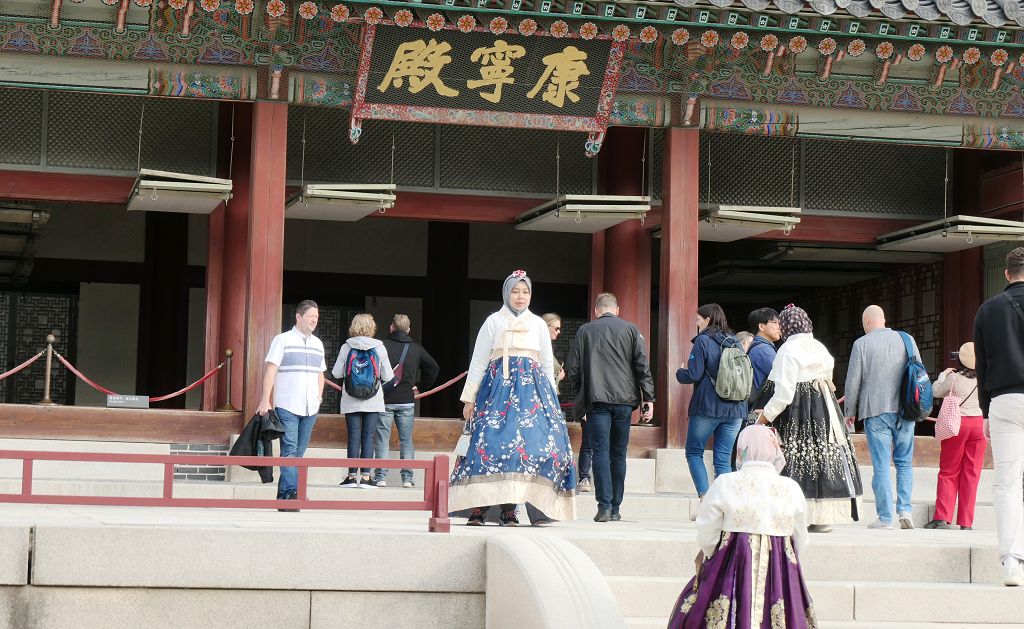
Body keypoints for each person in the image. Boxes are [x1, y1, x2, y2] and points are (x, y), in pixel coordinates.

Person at [450, 270, 577, 526]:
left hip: (532, 393)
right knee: (488, 445)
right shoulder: (493, 321)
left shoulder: (539, 324)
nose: (521, 296)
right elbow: (478, 362)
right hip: (496, 390)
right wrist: (469, 399)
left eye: (525, 291)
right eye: (516, 291)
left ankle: (511, 509)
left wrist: (551, 400)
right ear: (507, 293)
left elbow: (544, 364)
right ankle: (479, 508)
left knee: (527, 448)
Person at [667, 425, 816, 629]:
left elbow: (707, 529)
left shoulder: (726, 482)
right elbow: (800, 536)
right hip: (779, 564)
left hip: (734, 558)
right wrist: (787, 557)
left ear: (742, 448)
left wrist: (713, 554)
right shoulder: (790, 487)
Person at [755, 304, 863, 533]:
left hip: (798, 408)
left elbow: (783, 392)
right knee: (823, 455)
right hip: (824, 406)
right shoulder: (820, 347)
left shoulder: (787, 350)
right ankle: (823, 516)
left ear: (785, 326)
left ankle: (793, 514)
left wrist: (764, 417)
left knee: (796, 454)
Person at [567, 292, 655, 522]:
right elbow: (642, 366)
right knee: (619, 454)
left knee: (600, 452)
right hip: (625, 402)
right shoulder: (631, 330)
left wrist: (582, 394)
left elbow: (573, 368)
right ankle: (616, 508)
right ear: (617, 310)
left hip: (597, 401)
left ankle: (604, 507)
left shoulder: (585, 330)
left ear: (596, 311)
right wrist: (649, 399)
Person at [844, 304, 922, 531]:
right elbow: (919, 372)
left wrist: (850, 411)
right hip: (906, 410)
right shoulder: (907, 339)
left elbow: (853, 381)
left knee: (881, 465)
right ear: (884, 319)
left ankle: (886, 517)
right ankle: (905, 510)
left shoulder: (861, 344)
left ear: (867, 321)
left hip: (875, 410)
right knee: (904, 462)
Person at [974, 246, 1024, 587]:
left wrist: (986, 408)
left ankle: (1010, 561)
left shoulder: (988, 310)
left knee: (1006, 482)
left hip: (1005, 400)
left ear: (1006, 273)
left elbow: (981, 365)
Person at [256, 300, 326, 509]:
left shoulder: (318, 344)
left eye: (316, 317)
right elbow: (271, 370)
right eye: (311, 316)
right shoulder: (282, 340)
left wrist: (319, 397)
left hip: (310, 406)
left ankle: (285, 494)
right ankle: (290, 496)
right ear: (298, 316)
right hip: (287, 404)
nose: (314, 320)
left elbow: (320, 374)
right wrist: (265, 399)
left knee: (299, 453)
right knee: (289, 450)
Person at [675, 303, 746, 500]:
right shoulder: (735, 341)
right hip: (735, 408)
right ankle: (725, 503)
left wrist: (680, 372)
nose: (697, 324)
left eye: (698, 319)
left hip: (708, 406)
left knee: (694, 451)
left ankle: (705, 499)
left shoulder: (703, 341)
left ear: (707, 320)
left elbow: (694, 374)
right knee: (723, 458)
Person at [372, 314, 439, 488]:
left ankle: (380, 477)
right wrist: (420, 386)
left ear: (391, 327)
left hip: (384, 399)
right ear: (408, 330)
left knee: (381, 439)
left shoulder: (382, 346)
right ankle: (407, 478)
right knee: (406, 440)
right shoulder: (416, 348)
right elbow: (433, 368)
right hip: (406, 401)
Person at [925, 342, 984, 531]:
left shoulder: (955, 378)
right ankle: (966, 522)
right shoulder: (987, 377)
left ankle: (942, 518)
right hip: (979, 426)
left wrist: (942, 376)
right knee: (971, 474)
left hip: (958, 424)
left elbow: (935, 391)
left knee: (949, 470)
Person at [331, 313, 394, 488]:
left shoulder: (346, 347)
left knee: (353, 436)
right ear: (372, 327)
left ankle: (351, 476)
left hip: (350, 399)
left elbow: (336, 373)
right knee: (369, 436)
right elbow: (388, 375)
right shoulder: (380, 347)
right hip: (373, 400)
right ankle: (366, 477)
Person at [747, 307, 781, 395]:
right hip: (761, 405)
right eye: (775, 322)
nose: (779, 327)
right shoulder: (763, 350)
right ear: (761, 326)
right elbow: (781, 376)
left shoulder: (760, 346)